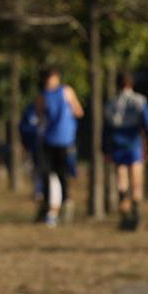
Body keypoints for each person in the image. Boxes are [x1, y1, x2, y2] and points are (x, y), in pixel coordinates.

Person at [104, 72, 148, 231]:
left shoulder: (111, 103)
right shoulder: (139, 100)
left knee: (121, 180)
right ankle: (136, 212)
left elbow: (106, 127)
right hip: (133, 141)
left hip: (117, 142)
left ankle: (124, 213)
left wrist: (105, 147)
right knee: (136, 179)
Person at [36, 67, 84, 227]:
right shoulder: (42, 96)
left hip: (64, 139)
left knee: (62, 173)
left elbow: (78, 111)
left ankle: (65, 204)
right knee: (47, 174)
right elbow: (39, 116)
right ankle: (50, 208)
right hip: (48, 140)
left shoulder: (66, 91)